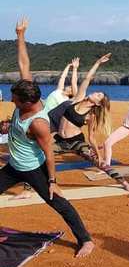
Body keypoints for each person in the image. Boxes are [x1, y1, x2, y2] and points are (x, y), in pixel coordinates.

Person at [0, 17, 93, 257]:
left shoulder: (39, 123)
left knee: (58, 202)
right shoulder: (27, 91)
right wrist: (20, 36)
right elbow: (24, 64)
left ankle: (85, 240)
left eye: (13, 98)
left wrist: (53, 181)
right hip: (14, 166)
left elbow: (49, 152)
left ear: (27, 102)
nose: (10, 100)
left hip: (34, 169)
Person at [52, 53, 129, 191]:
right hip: (60, 142)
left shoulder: (91, 116)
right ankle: (26, 189)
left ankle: (124, 182)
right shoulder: (78, 99)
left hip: (77, 143)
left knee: (100, 164)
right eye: (97, 92)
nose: (95, 93)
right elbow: (87, 79)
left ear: (98, 103)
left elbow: (91, 137)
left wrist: (99, 156)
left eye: (98, 95)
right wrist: (98, 63)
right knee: (38, 158)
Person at [10, 58, 80, 200]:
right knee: (33, 153)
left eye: (71, 88)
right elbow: (62, 79)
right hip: (37, 116)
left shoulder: (69, 101)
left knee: (42, 152)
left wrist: (76, 70)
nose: (69, 87)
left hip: (46, 122)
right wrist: (69, 66)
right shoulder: (59, 92)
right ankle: (27, 189)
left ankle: (42, 185)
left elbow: (74, 84)